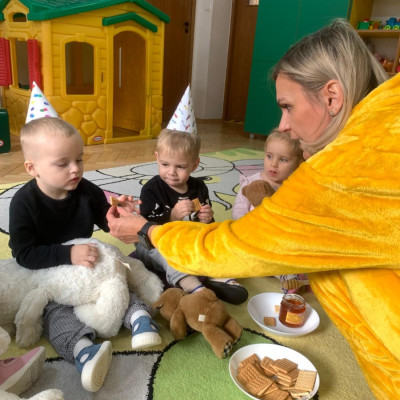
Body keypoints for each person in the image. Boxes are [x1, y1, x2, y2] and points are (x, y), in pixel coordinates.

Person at [107, 19, 400, 399]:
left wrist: (147, 229)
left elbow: (236, 245)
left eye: (288, 107)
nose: (283, 125)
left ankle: (201, 285)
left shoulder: (341, 174)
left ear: (332, 96)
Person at [8, 117, 162, 393]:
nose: (75, 169)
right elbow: (24, 254)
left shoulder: (85, 189)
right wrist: (67, 253)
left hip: (88, 262)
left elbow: (105, 218)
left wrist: (118, 214)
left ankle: (140, 319)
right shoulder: (23, 203)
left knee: (115, 282)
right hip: (50, 277)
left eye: (79, 159)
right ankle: (83, 351)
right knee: (55, 312)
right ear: (32, 168)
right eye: (62, 163)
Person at [133, 128, 248, 305]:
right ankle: (194, 287)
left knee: (219, 238)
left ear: (194, 165)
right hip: (154, 244)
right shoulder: (151, 189)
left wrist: (207, 219)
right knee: (169, 253)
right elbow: (144, 226)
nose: (171, 172)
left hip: (189, 241)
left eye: (180, 167)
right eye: (165, 164)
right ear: (157, 157)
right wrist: (172, 216)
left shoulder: (199, 187)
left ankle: (218, 277)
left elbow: (206, 227)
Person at [232, 128, 309, 293]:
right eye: (269, 156)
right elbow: (238, 210)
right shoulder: (251, 182)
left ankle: (291, 276)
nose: (273, 164)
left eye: (283, 159)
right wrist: (246, 225)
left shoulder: (294, 187)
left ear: (298, 163)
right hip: (253, 236)